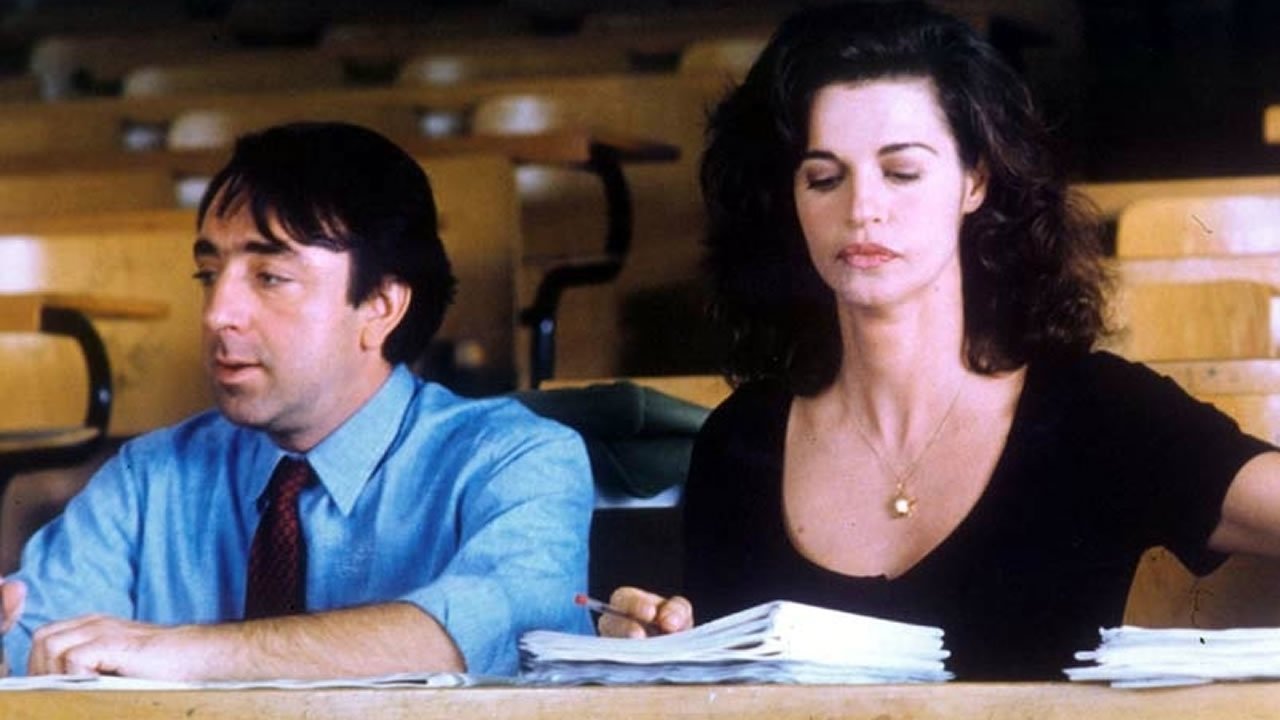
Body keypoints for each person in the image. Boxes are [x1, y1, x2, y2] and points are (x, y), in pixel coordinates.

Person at [599, 2, 1280, 680]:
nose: (862, 208)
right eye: (824, 177)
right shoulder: (739, 442)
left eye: (901, 172)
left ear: (974, 180)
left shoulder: (1099, 410)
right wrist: (653, 650)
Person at [0, 122, 594, 679]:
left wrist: (178, 651)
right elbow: (34, 645)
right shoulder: (149, 478)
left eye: (270, 277)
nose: (217, 313)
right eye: (208, 275)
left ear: (381, 307)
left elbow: (499, 631)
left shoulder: (517, 458)